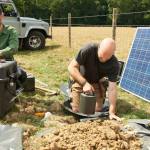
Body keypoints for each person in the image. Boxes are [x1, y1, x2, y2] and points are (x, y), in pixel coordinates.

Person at [68, 38, 121, 121]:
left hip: (95, 81)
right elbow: (71, 67)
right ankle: (72, 94)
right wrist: (84, 83)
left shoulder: (114, 64)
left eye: (107, 58)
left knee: (96, 109)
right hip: (80, 77)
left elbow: (112, 88)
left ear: (113, 53)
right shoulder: (88, 49)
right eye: (101, 56)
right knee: (77, 110)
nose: (103, 59)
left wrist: (111, 112)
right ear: (99, 47)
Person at [0, 8, 26, 87]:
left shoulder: (11, 31)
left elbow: (13, 48)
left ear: (2, 16)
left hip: (7, 63)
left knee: (22, 75)